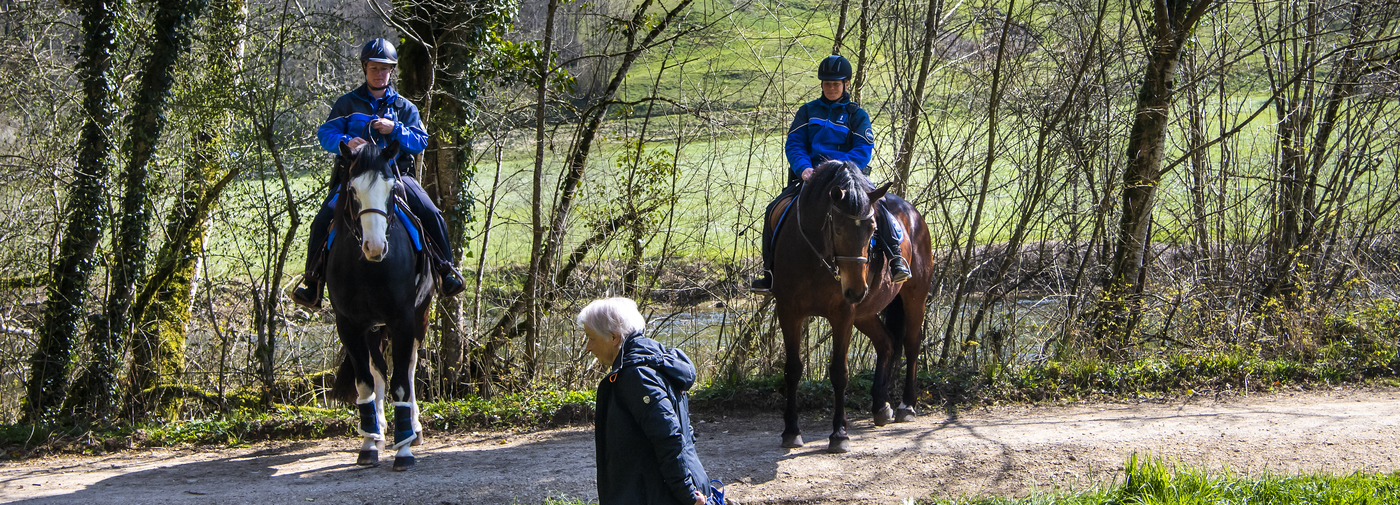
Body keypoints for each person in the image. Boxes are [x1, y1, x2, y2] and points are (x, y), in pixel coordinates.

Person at [292, 38, 465, 308]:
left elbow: (420, 140)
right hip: (354, 180)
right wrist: (347, 140)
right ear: (365, 68)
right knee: (323, 218)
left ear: (391, 71)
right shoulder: (347, 104)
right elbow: (325, 133)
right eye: (374, 68)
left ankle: (446, 271)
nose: (379, 73)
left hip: (397, 177)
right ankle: (312, 282)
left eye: (385, 69)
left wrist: (394, 128)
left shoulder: (404, 108)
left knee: (431, 212)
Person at [750, 54, 910, 291]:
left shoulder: (857, 116)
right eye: (827, 84)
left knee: (880, 206)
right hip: (811, 178)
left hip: (850, 179)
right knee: (773, 209)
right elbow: (794, 144)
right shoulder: (807, 112)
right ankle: (770, 272)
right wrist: (804, 168)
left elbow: (862, 151)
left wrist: (836, 171)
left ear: (846, 84)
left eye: (836, 84)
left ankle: (896, 258)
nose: (831, 88)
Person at [578, 298, 713, 505]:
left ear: (614, 337)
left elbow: (669, 436)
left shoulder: (636, 375)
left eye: (591, 338)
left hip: (660, 496)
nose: (588, 347)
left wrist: (687, 494)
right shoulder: (654, 360)